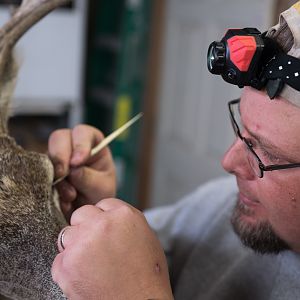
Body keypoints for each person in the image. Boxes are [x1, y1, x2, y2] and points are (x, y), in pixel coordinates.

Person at [51, 3, 300, 299]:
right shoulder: (223, 204)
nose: (228, 162)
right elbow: (129, 258)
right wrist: (91, 213)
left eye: (268, 153)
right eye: (241, 127)